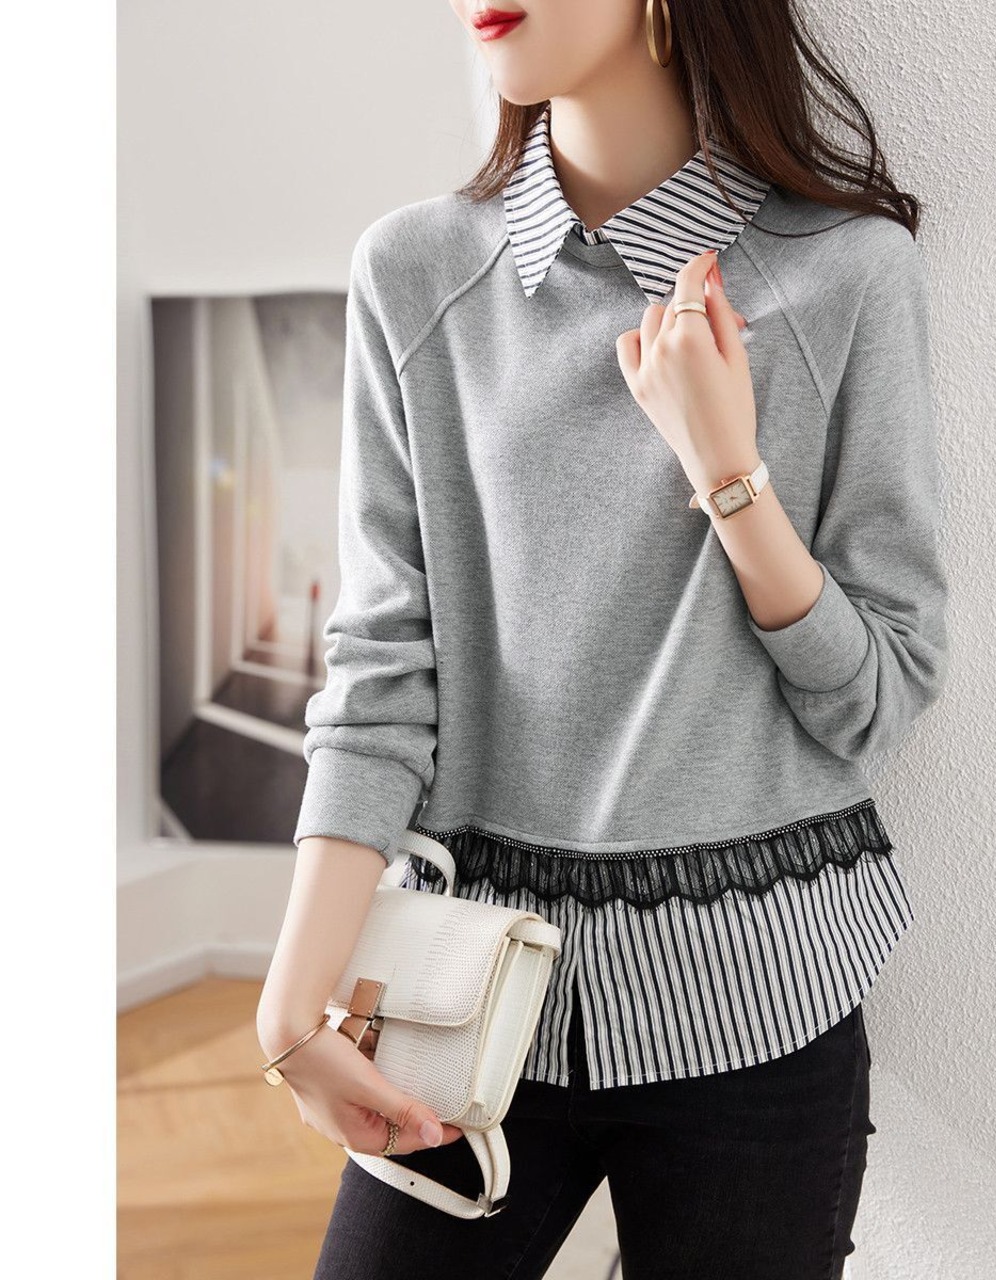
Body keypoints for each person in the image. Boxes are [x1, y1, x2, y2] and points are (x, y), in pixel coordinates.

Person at [257, 1, 950, 1276]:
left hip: (759, 1010)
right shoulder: (413, 272)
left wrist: (727, 473)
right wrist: (292, 993)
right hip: (463, 998)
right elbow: (381, 664)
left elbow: (879, 697)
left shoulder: (845, 275)